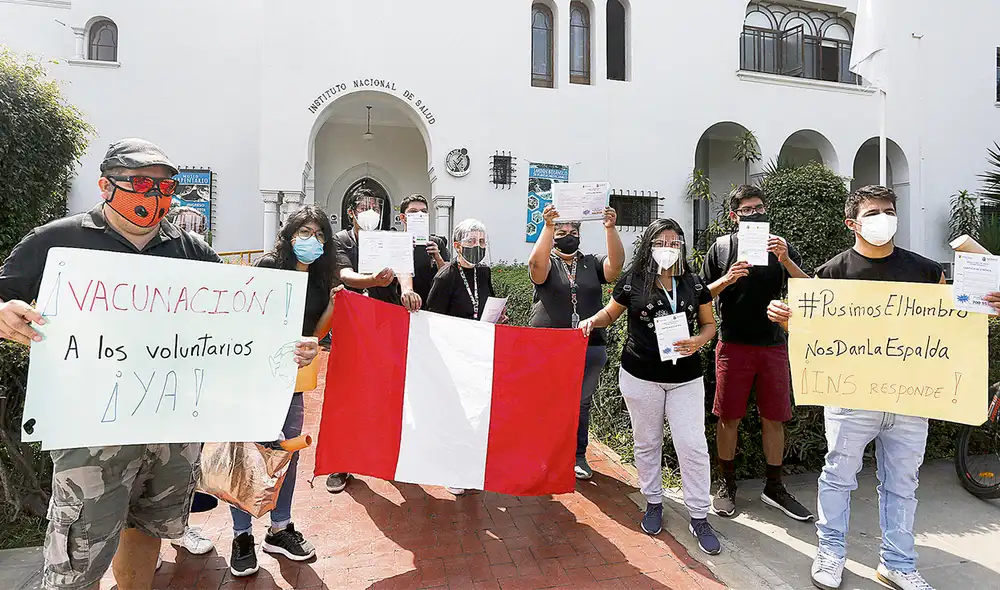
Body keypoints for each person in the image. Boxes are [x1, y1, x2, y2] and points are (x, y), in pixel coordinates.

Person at [0, 138, 318, 590]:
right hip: (90, 433)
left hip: (170, 428)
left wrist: (285, 345)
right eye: (141, 183)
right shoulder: (58, 240)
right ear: (105, 185)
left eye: (165, 186)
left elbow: (238, 325)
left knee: (147, 525)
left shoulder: (192, 250)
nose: (153, 196)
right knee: (77, 551)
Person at [765, 185, 1000, 590]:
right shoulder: (831, 273)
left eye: (888, 211)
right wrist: (788, 320)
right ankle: (831, 552)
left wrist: (987, 305)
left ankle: (898, 563)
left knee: (903, 484)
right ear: (852, 223)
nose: (883, 219)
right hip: (851, 398)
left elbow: (953, 324)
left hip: (911, 399)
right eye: (873, 213)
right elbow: (818, 334)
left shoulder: (927, 271)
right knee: (838, 477)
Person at [579, 219, 721, 555]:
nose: (669, 248)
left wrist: (699, 341)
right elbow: (610, 314)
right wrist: (590, 321)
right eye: (662, 241)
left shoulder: (693, 282)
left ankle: (699, 514)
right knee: (647, 442)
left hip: (685, 377)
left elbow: (709, 324)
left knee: (692, 444)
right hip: (641, 375)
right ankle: (653, 501)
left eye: (675, 242)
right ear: (650, 245)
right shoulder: (633, 281)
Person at [227, 206, 336, 577]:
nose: (313, 240)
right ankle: (242, 535)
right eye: (305, 232)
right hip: (254, 378)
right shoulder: (269, 268)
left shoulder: (321, 278)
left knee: (286, 452)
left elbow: (315, 333)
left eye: (320, 234)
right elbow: (246, 321)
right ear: (289, 235)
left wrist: (332, 309)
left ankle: (280, 528)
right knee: (250, 454)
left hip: (292, 382)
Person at [700, 185, 812, 521]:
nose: (754, 214)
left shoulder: (781, 246)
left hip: (773, 344)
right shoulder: (722, 247)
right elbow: (700, 293)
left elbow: (810, 287)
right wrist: (728, 278)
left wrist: (785, 259)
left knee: (774, 417)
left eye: (759, 207)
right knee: (728, 417)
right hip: (733, 344)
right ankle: (727, 483)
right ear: (734, 215)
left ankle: (774, 487)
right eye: (747, 210)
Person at [327, 188, 416, 494]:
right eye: (364, 207)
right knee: (348, 393)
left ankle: (387, 455)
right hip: (351, 327)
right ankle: (342, 461)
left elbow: (405, 268)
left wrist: (405, 288)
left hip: (384, 324)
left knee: (387, 391)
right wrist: (372, 280)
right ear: (351, 212)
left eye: (376, 207)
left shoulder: (389, 238)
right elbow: (345, 274)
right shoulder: (340, 241)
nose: (371, 213)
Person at [527, 204, 625, 480]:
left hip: (589, 343)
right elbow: (536, 268)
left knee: (581, 402)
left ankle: (577, 455)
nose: (567, 235)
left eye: (572, 231)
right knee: (549, 400)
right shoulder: (547, 259)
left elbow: (615, 267)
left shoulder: (591, 262)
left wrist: (610, 227)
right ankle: (545, 453)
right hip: (549, 344)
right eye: (561, 231)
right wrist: (548, 227)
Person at [425, 218, 498, 496]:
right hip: (453, 354)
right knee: (454, 413)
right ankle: (450, 468)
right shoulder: (446, 276)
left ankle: (469, 465)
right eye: (471, 242)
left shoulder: (484, 272)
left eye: (481, 242)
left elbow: (484, 302)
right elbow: (433, 318)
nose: (477, 247)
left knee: (475, 413)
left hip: (478, 352)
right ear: (456, 246)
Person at [398, 193, 449, 306]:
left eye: (424, 212)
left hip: (430, 305)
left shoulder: (436, 243)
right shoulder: (395, 242)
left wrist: (438, 257)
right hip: (402, 304)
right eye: (413, 212)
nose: (419, 215)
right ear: (403, 217)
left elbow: (449, 277)